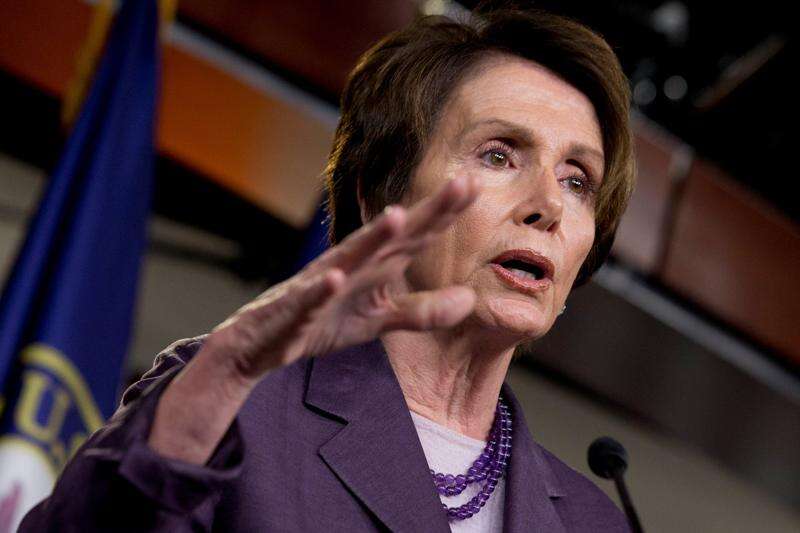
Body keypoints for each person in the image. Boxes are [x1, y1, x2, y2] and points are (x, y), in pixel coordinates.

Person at [20, 5, 636, 532]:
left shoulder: (595, 520)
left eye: (578, 180)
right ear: (381, 192)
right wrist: (182, 431)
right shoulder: (231, 409)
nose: (549, 206)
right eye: (498, 155)